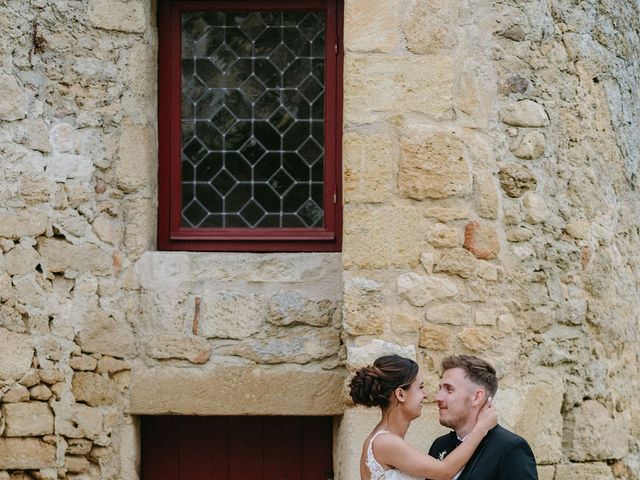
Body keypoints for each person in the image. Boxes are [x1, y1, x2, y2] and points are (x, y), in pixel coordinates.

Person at [349, 354, 498, 480]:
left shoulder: (384, 441)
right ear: (401, 394)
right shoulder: (385, 442)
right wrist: (482, 427)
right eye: (420, 387)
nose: (426, 395)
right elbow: (444, 471)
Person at [427, 355, 538, 480]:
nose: (438, 397)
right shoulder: (439, 445)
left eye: (449, 389)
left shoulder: (511, 448)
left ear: (477, 397)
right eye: (440, 388)